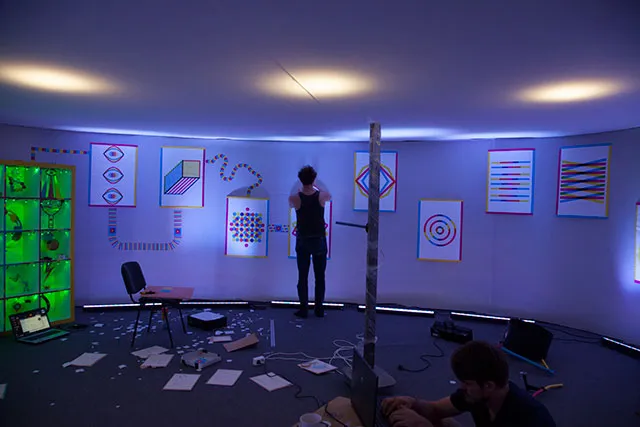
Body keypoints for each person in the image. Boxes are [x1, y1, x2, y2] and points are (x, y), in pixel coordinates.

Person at [381, 341, 556, 427]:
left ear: (488, 386)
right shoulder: (478, 395)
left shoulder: (530, 419)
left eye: (467, 383)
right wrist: (412, 403)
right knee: (442, 421)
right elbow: (436, 409)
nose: (461, 388)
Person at [288, 165, 331, 318]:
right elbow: (329, 195)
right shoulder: (321, 196)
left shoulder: (294, 198)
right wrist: (315, 185)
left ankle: (304, 309)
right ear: (313, 179)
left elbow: (291, 202)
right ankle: (319, 309)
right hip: (319, 240)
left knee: (302, 276)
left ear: (300, 180)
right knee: (320, 277)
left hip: (303, 240)